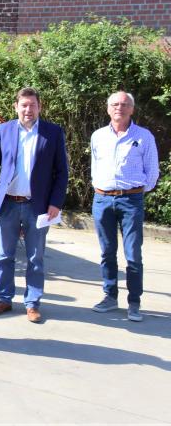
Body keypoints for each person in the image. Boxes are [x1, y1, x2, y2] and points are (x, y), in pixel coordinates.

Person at [0, 87, 68, 324]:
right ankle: (4, 298)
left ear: (39, 107)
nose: (28, 109)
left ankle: (32, 303)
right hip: (7, 204)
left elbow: (61, 172)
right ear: (16, 107)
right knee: (4, 256)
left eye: (32, 105)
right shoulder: (4, 130)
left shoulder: (53, 132)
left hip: (37, 206)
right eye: (24, 105)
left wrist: (55, 203)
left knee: (35, 258)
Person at [89, 91, 159, 322]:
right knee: (107, 252)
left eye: (124, 104)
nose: (119, 107)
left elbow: (152, 172)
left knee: (133, 254)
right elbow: (95, 167)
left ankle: (134, 303)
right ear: (108, 108)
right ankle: (110, 297)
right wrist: (100, 187)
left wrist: (134, 192)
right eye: (115, 104)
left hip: (131, 201)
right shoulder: (98, 136)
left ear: (132, 109)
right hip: (102, 200)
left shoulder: (144, 136)